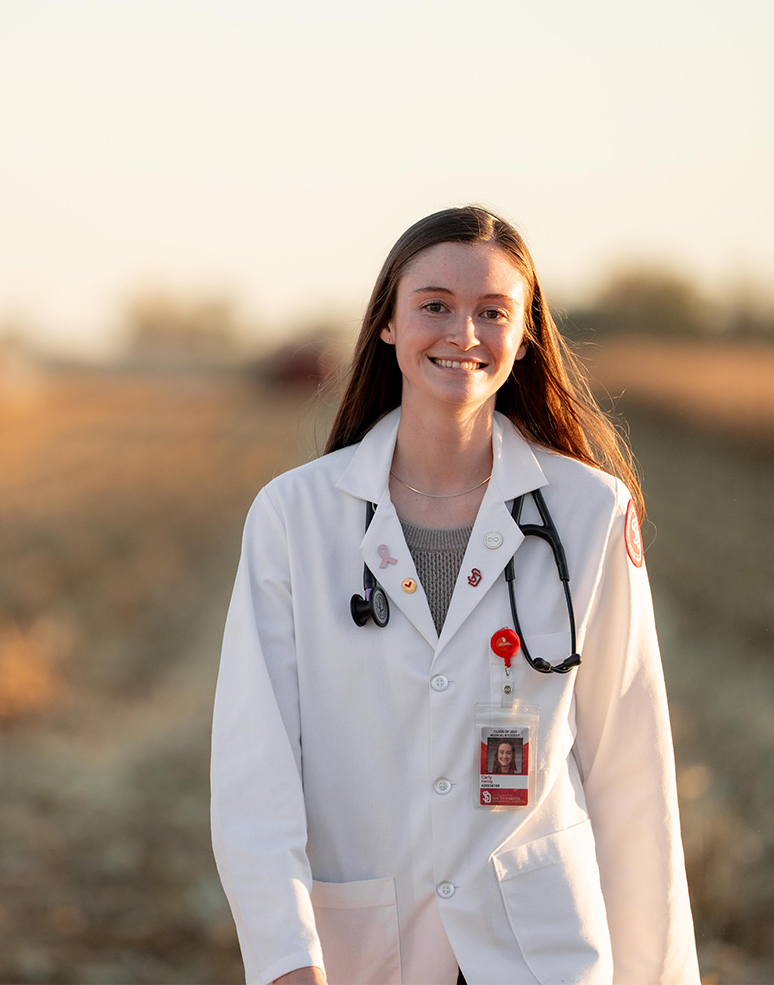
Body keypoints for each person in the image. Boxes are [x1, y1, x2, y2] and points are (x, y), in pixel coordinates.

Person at [211, 207, 699, 985]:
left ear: (525, 333)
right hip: (364, 952)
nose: (462, 332)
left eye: (492, 311)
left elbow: (633, 777)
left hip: (541, 955)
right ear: (387, 327)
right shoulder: (293, 516)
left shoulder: (590, 513)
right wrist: (286, 961)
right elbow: (254, 771)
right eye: (434, 304)